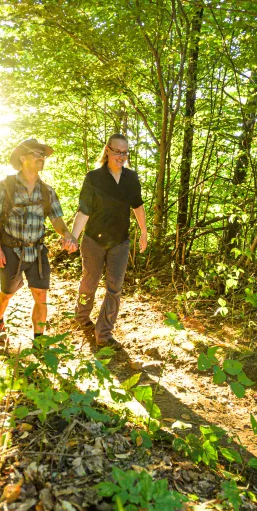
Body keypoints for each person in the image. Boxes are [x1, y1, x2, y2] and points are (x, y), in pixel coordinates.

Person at [0, 139, 78, 342]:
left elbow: (56, 219)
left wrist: (68, 235)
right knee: (7, 294)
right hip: (11, 250)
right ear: (22, 157)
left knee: (41, 296)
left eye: (43, 155)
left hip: (37, 251)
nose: (41, 157)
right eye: (36, 153)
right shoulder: (5, 186)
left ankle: (39, 341)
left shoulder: (47, 191)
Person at [70, 134, 148, 350]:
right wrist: (73, 238)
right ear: (107, 150)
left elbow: (138, 206)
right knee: (90, 282)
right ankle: (82, 316)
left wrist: (144, 231)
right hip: (94, 240)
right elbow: (84, 210)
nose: (121, 156)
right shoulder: (94, 177)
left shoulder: (131, 178)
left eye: (125, 152)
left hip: (120, 242)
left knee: (115, 288)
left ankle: (103, 333)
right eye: (117, 151)